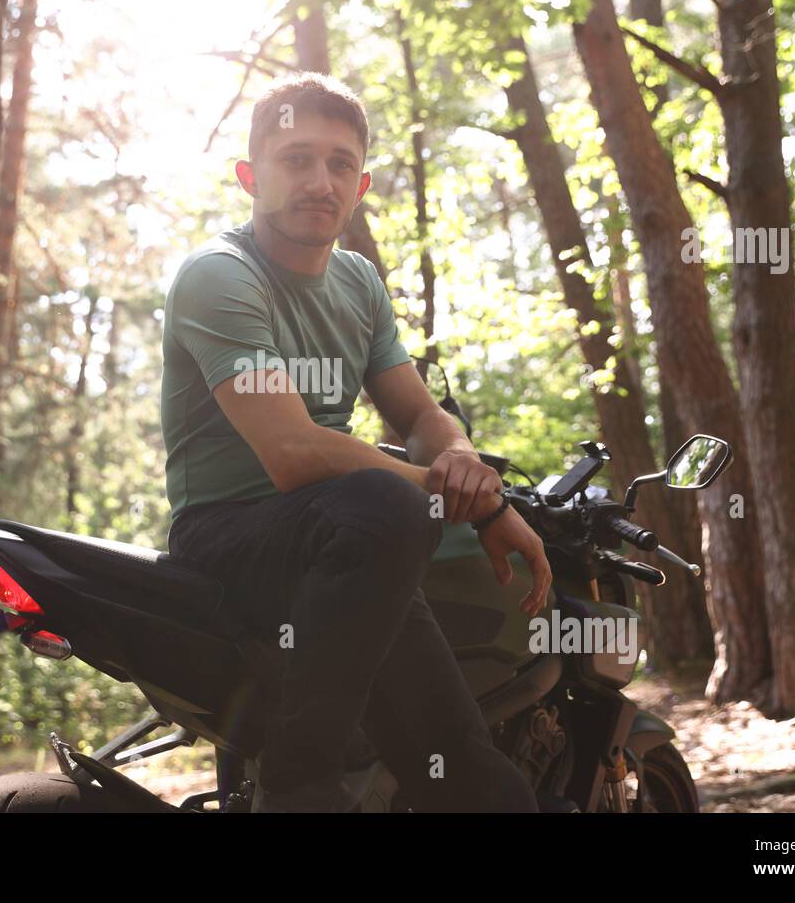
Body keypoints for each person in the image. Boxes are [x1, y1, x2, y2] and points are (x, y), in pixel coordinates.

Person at [160, 72, 552, 812]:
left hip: (351, 539)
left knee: (475, 779)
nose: (320, 179)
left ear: (362, 184)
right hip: (230, 534)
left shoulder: (357, 282)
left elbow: (418, 414)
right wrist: (463, 498)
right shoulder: (220, 274)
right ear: (251, 176)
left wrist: (465, 462)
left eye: (340, 163)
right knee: (384, 502)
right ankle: (299, 792)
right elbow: (294, 453)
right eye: (296, 158)